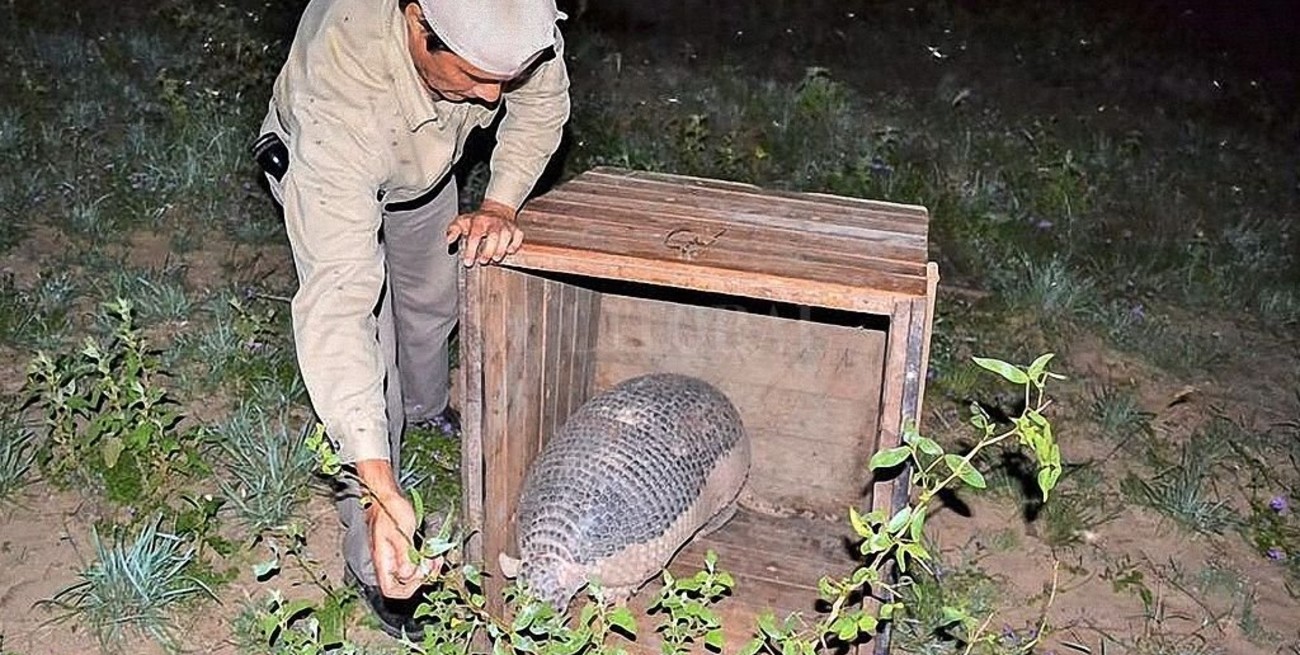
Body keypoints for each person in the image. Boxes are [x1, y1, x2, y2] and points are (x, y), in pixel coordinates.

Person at [251, 0, 571, 639]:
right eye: (477, 76)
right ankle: (373, 549)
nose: (492, 99)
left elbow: (540, 106)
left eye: (504, 77)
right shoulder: (338, 101)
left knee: (433, 299)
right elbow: (339, 306)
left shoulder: (511, 24)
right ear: (417, 21)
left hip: (425, 161)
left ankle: (428, 407)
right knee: (372, 350)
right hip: (337, 156)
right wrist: (376, 485)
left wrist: (502, 203)